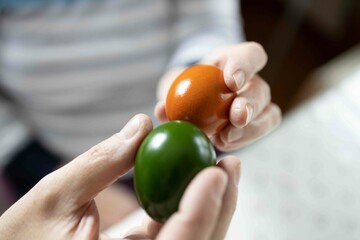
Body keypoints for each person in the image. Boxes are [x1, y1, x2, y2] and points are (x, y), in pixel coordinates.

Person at [0, 0, 281, 229]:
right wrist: (49, 171)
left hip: (200, 147)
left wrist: (203, 71)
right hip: (50, 164)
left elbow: (207, 21)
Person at [0, 114, 241, 240]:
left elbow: (208, 26)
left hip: (195, 137)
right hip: (39, 156)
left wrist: (210, 72)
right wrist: (46, 168)